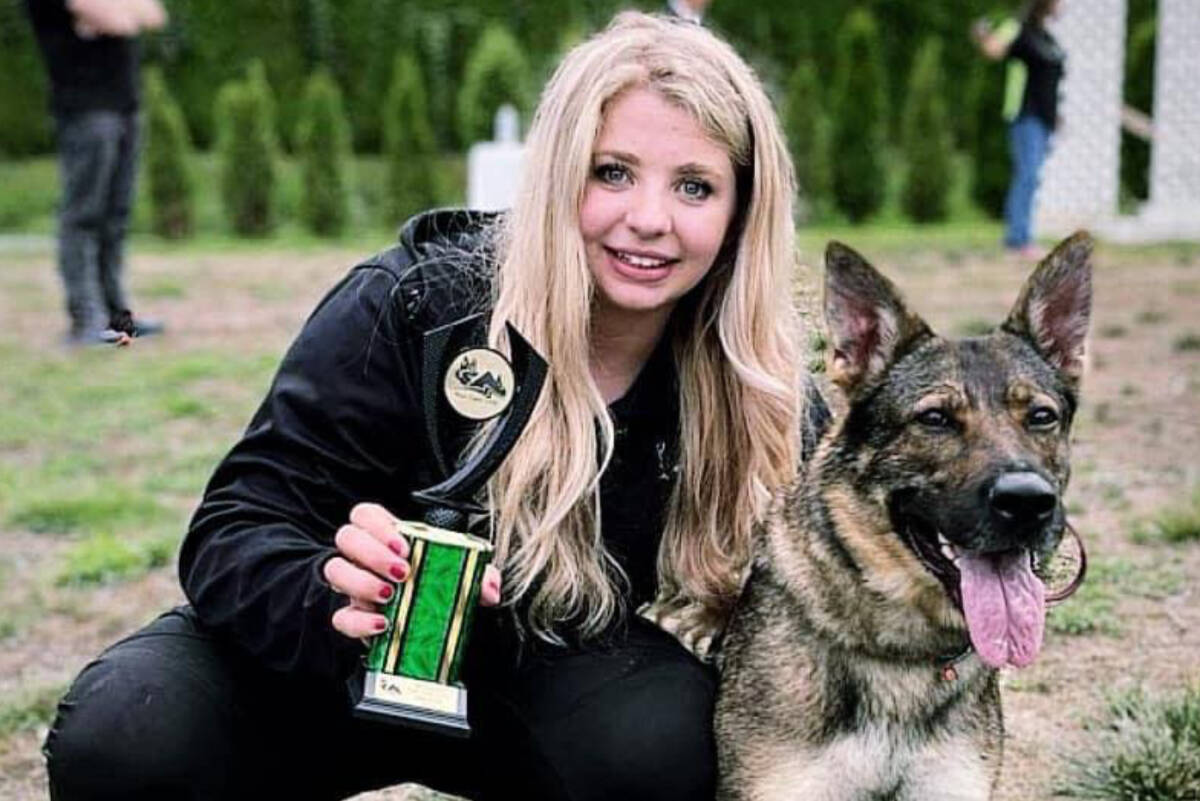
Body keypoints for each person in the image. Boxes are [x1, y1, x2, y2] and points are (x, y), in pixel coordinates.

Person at [43, 12, 823, 800]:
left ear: (740, 213)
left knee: (667, 747)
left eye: (695, 185)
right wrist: (330, 589)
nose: (649, 217)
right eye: (611, 172)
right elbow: (231, 529)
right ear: (555, 174)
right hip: (321, 666)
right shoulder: (414, 302)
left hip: (542, 676)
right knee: (125, 734)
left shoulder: (759, 380)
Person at [24, 0, 167, 346]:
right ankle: (85, 320)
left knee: (115, 218)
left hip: (123, 106)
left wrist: (116, 14)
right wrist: (118, 12)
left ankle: (118, 320)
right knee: (83, 217)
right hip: (86, 111)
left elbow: (153, 15)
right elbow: (120, 22)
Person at [972, 0, 1066, 259]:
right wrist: (982, 33)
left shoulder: (1046, 37)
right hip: (1026, 115)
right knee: (1027, 176)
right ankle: (1017, 241)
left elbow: (1049, 80)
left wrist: (1056, 115)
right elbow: (994, 50)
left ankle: (1022, 237)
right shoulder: (1019, 29)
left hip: (1045, 118)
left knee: (1032, 177)